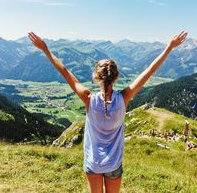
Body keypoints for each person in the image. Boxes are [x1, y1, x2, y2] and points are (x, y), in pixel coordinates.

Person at [28, 30, 188, 193]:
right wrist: (169, 47)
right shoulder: (123, 98)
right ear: (116, 77)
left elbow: (65, 72)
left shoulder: (88, 99)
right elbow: (148, 73)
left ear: (96, 77)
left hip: (93, 163)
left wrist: (45, 49)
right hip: (113, 164)